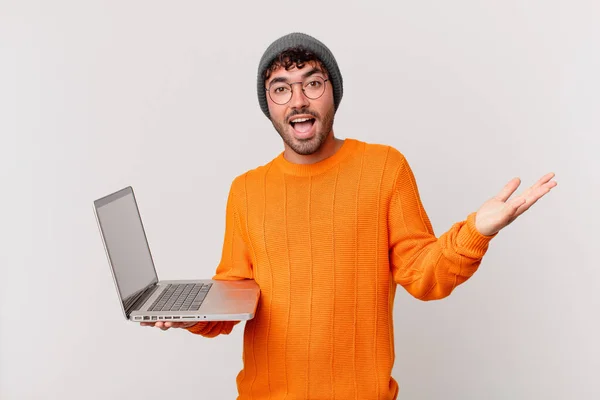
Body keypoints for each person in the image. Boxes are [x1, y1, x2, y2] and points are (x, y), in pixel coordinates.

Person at [141, 32, 557, 399]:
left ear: (333, 93)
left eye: (313, 83)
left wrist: (476, 232)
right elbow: (236, 294)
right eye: (281, 89)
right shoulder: (246, 190)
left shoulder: (384, 169)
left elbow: (425, 275)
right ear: (268, 105)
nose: (298, 100)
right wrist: (189, 314)